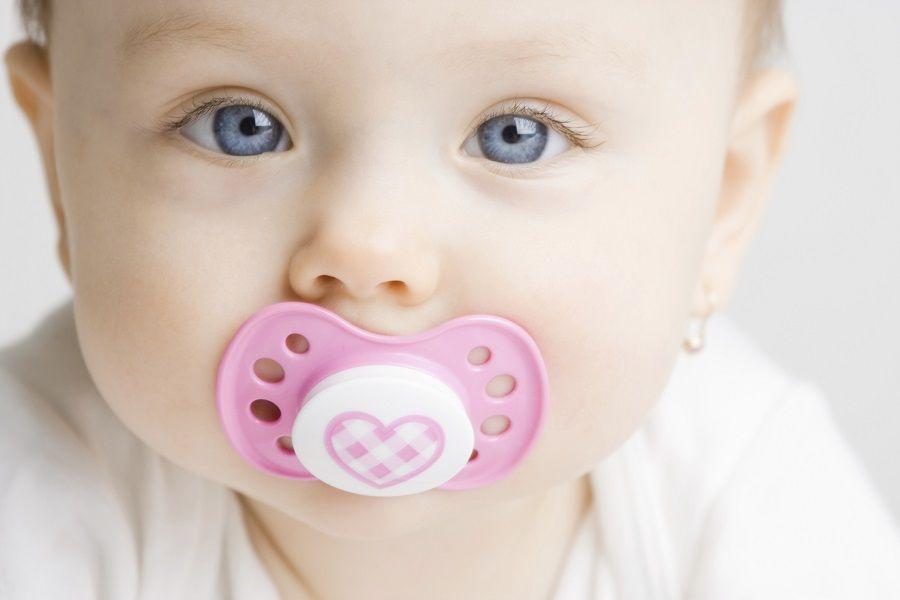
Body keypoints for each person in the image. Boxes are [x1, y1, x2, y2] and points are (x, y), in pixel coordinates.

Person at [2, 1, 899, 598]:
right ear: (61, 173)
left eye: (517, 135)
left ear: (725, 200)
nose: (368, 248)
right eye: (241, 127)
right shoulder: (38, 491)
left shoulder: (757, 504)